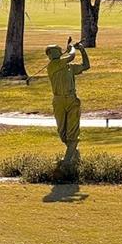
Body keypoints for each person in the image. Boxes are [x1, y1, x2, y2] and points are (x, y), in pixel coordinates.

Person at [46, 37, 91, 169]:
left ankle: (66, 161)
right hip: (58, 100)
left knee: (72, 133)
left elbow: (86, 66)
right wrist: (71, 47)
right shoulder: (52, 66)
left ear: (59, 53)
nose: (50, 54)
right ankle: (74, 155)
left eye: (53, 51)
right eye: (49, 52)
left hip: (71, 100)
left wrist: (82, 50)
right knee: (62, 134)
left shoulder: (69, 67)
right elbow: (71, 56)